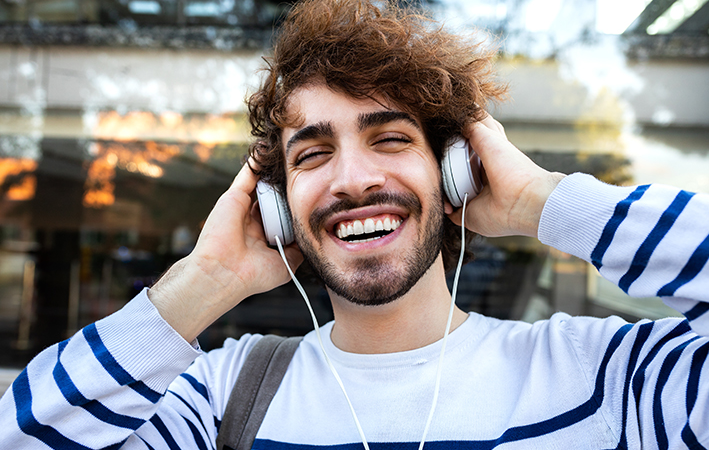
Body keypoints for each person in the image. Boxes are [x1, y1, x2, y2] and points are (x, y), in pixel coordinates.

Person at [2, 0, 708, 448]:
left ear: (455, 174)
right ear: (278, 208)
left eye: (390, 139)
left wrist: (544, 203)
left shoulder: (606, 378)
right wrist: (203, 282)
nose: (351, 179)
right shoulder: (221, 399)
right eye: (313, 153)